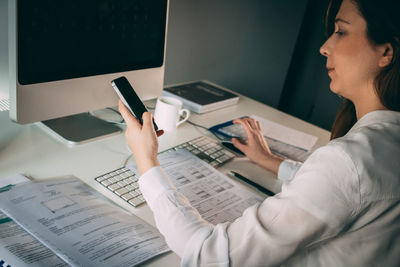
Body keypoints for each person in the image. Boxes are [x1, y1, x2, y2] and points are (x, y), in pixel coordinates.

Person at [118, 0, 400, 265]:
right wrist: (269, 160)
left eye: (341, 31)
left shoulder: (348, 161)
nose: (325, 47)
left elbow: (208, 256)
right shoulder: (382, 145)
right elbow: (346, 190)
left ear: (386, 52)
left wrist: (147, 160)